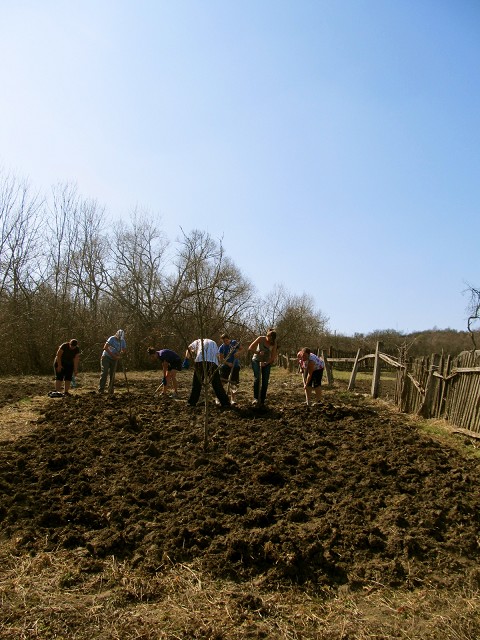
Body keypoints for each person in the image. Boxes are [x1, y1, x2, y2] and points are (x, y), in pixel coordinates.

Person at [185, 337, 230, 407]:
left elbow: (189, 348)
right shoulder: (214, 342)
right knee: (217, 384)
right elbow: (217, 355)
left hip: (200, 362)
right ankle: (225, 403)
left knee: (196, 383)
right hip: (212, 363)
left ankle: (191, 403)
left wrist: (186, 359)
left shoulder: (198, 341)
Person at [248, 329, 277, 406]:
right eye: (268, 337)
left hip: (266, 362)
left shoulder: (274, 344)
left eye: (271, 339)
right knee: (257, 378)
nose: (269, 340)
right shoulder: (261, 338)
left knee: (265, 381)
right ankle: (256, 398)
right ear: (267, 336)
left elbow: (272, 357)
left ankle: (262, 400)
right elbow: (250, 348)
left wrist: (266, 363)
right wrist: (258, 352)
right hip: (256, 360)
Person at [98, 329, 127, 395]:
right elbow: (105, 347)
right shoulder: (112, 338)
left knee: (112, 374)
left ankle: (110, 389)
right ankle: (101, 389)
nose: (119, 339)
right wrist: (113, 355)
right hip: (106, 357)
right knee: (105, 372)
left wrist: (120, 354)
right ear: (116, 335)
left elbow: (124, 349)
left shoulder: (123, 341)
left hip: (114, 359)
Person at [218, 333, 242, 404]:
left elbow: (241, 349)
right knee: (222, 382)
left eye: (227, 340)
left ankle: (233, 399)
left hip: (235, 365)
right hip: (225, 367)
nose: (226, 342)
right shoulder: (222, 348)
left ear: (229, 339)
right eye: (224, 341)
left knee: (233, 383)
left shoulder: (234, 343)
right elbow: (221, 359)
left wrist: (238, 353)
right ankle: (219, 398)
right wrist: (228, 363)